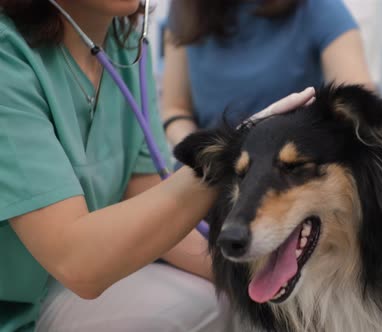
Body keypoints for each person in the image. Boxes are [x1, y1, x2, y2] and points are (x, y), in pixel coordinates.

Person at [0, 1, 315, 331]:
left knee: (232, 304)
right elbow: (77, 262)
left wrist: (271, 281)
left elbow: (153, 211)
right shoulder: (8, 59)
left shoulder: (125, 44)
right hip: (23, 307)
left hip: (63, 290)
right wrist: (224, 158)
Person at [161, 0, 375, 147]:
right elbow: (174, 108)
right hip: (209, 178)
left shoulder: (318, 8)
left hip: (286, 173)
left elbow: (360, 104)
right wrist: (205, 154)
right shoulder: (185, 11)